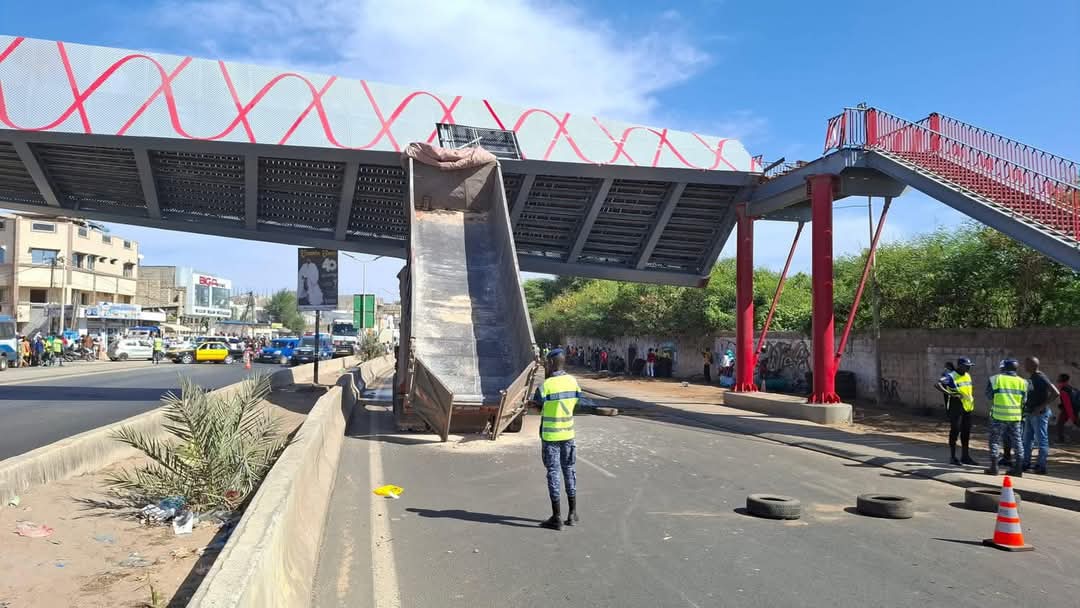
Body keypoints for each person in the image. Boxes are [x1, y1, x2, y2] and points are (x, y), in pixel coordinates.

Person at [531, 349, 581, 531]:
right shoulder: (573, 382)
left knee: (553, 472)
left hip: (550, 436)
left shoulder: (546, 386)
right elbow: (576, 403)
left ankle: (557, 517)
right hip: (568, 434)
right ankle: (573, 513)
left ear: (552, 363)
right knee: (569, 470)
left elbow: (537, 408)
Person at [985, 359, 1027, 477]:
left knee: (994, 441)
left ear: (1003, 368)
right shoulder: (1023, 382)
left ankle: (994, 467)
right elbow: (1024, 400)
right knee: (1017, 441)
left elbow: (989, 395)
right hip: (1015, 416)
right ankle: (1018, 469)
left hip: (998, 416)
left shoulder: (995, 379)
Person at [934, 357, 978, 466]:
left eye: (969, 366)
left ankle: (965, 456)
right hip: (956, 407)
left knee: (966, 432)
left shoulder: (967, 375)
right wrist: (949, 393)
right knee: (955, 430)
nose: (968, 368)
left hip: (967, 407)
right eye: (966, 366)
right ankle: (953, 457)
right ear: (960, 366)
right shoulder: (951, 376)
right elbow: (938, 384)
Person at [1022, 357, 1059, 474]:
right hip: (1030, 413)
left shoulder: (1041, 377)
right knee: (1027, 440)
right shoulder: (1032, 377)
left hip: (1039, 414)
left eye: (1026, 364)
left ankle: (1041, 466)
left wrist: (1041, 407)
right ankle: (1025, 463)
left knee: (1041, 440)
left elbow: (1055, 393)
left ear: (1033, 365)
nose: (1024, 366)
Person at [1056, 374, 1077, 443]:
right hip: (1070, 410)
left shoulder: (1064, 390)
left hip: (1068, 410)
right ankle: (1061, 439)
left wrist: (1072, 417)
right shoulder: (1069, 388)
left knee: (1060, 424)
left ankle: (1061, 440)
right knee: (1060, 424)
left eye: (1059, 380)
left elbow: (1068, 405)